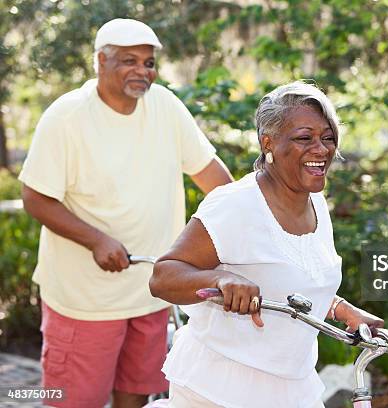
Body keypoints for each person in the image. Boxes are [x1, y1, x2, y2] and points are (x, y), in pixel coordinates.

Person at [19, 18, 233, 408]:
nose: (142, 71)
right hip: (85, 300)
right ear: (101, 61)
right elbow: (35, 198)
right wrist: (96, 239)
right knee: (74, 401)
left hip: (151, 292)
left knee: (135, 394)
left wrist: (246, 229)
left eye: (149, 63)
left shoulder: (166, 106)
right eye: (129, 61)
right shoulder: (66, 117)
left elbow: (214, 178)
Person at [149, 81, 384, 407]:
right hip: (218, 389)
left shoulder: (316, 203)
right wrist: (221, 279)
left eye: (328, 138)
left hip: (293, 387)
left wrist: (342, 309)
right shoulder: (235, 205)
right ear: (268, 142)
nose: (321, 149)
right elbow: (163, 276)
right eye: (305, 138)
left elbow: (293, 279)